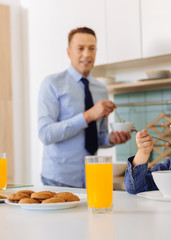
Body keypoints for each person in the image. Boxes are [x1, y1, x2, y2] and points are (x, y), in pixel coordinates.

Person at [38, 27, 131, 188]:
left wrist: (111, 139)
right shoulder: (52, 84)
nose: (87, 54)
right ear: (69, 52)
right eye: (80, 48)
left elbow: (97, 136)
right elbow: (45, 134)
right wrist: (88, 115)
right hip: (58, 179)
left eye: (92, 48)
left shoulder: (101, 89)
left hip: (91, 178)